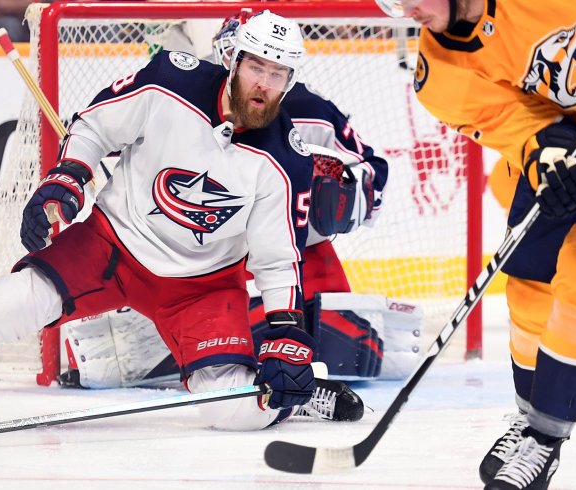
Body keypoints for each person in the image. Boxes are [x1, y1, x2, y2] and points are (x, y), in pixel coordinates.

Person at [0, 10, 330, 434]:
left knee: (225, 409)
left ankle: (297, 399)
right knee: (13, 300)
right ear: (235, 62)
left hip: (201, 288)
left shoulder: (286, 158)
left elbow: (276, 258)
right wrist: (67, 178)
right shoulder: (170, 83)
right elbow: (95, 126)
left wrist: (286, 332)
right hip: (112, 247)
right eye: (256, 66)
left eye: (278, 72)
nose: (264, 83)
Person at [57, 9, 392, 423]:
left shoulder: (311, 111)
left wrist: (341, 195)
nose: (260, 77)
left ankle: (281, 384)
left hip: (285, 261)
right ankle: (256, 379)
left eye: (273, 68)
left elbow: (374, 173)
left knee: (345, 345)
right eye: (247, 57)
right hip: (208, 261)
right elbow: (112, 140)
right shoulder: (190, 97)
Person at [375, 0, 576, 488]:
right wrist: (545, 152)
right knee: (527, 273)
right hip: (569, 132)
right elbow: (517, 123)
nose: (405, 9)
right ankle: (527, 420)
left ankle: (545, 439)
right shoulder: (439, 74)